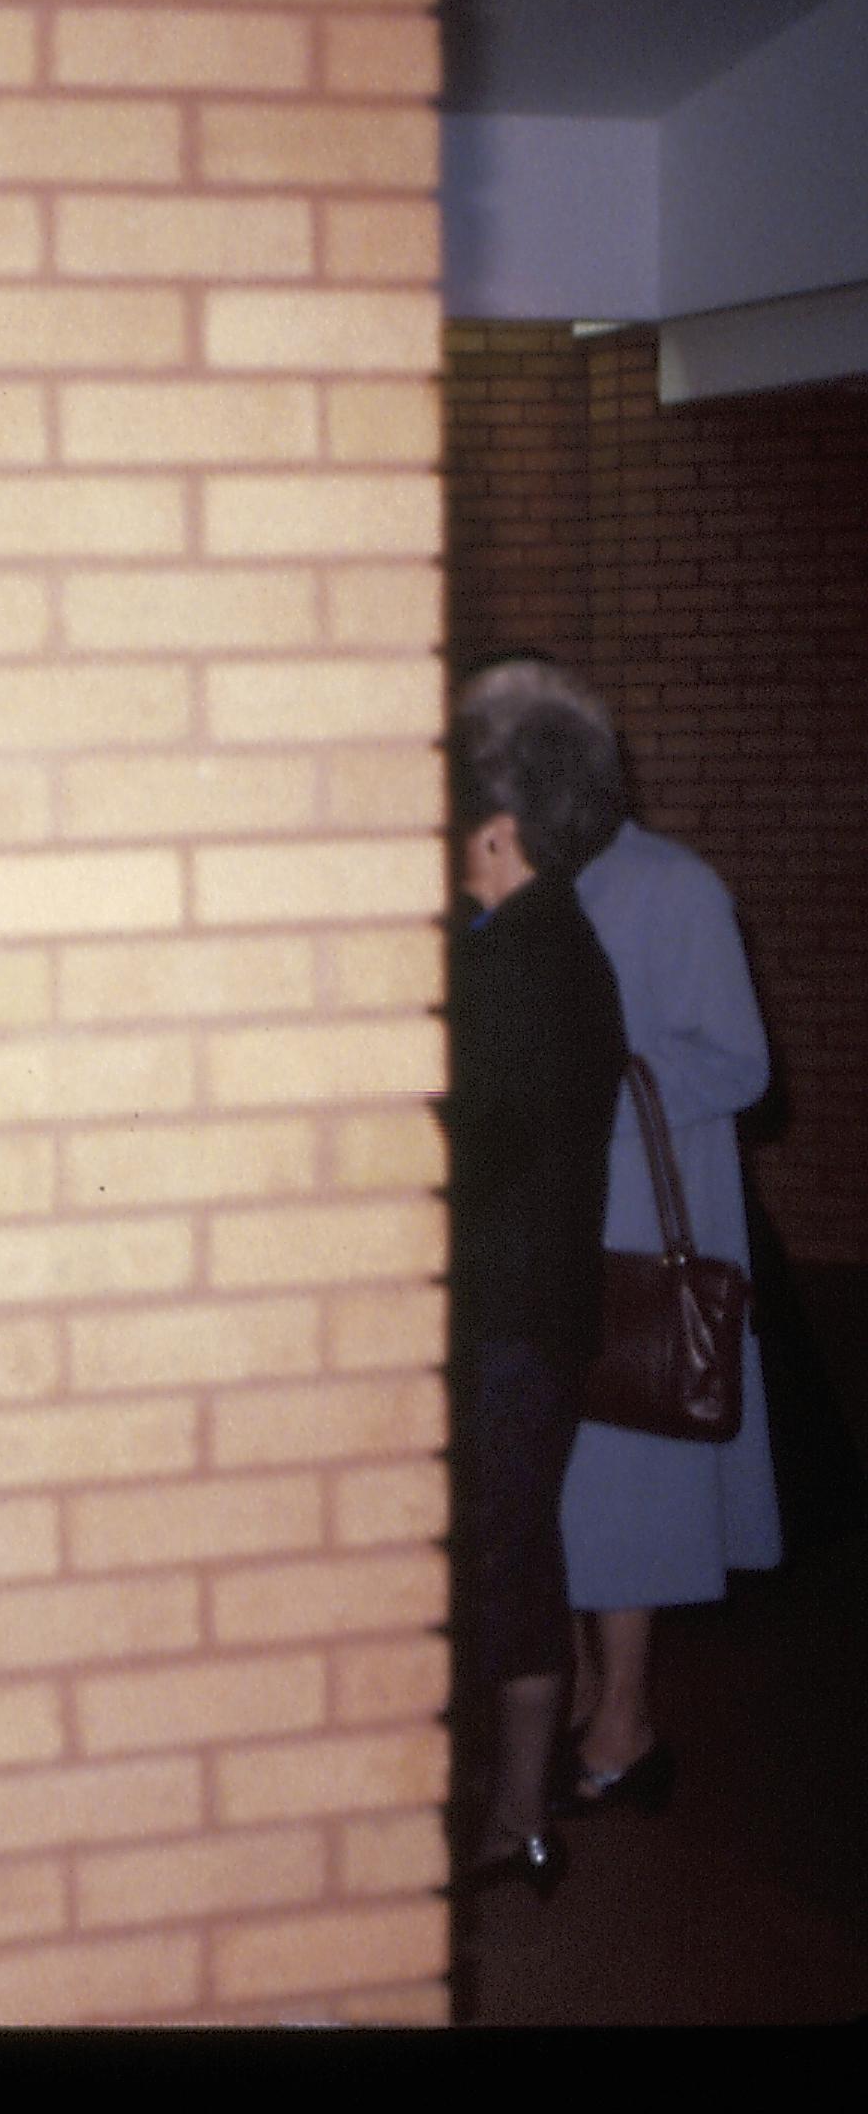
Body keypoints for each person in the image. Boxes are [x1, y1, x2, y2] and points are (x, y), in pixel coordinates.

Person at [458, 657, 784, 1816]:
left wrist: (608, 1071)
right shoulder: (517, 883)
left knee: (633, 1488)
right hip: (552, 1223)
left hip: (646, 1222)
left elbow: (741, 1062)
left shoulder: (675, 885)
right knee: (562, 1493)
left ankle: (627, 1717)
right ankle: (585, 1698)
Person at [442, 687, 630, 1897]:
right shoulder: (568, 939)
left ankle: (516, 1822)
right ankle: (523, 1814)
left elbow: (470, 1151)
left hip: (503, 1315)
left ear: (501, 827)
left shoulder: (512, 962)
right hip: (543, 1308)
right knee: (523, 1563)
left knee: (500, 1573)